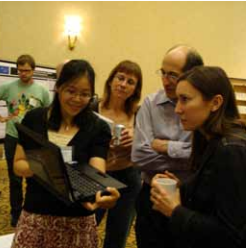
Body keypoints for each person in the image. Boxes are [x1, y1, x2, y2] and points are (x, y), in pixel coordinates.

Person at [150, 66, 246, 247]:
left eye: (185, 100)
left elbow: (232, 235)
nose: (177, 109)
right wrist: (183, 189)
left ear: (215, 103)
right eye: (177, 100)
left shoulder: (234, 150)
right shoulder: (209, 139)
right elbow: (216, 198)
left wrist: (175, 211)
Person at [11, 59, 120, 248]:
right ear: (58, 87)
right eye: (71, 91)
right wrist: (46, 166)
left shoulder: (98, 128)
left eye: (85, 94)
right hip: (36, 217)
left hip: (77, 223)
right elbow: (18, 165)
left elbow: (96, 170)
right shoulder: (35, 119)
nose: (77, 99)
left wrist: (103, 194)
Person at [131, 45, 204, 247]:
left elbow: (202, 157)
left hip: (189, 197)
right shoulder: (150, 103)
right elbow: (138, 156)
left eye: (173, 75)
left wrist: (166, 147)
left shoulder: (202, 106)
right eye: (163, 73)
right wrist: (184, 155)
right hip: (150, 195)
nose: (165, 80)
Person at [0, 55, 52, 227]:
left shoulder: (42, 91)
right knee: (15, 178)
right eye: (20, 70)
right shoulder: (9, 87)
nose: (23, 74)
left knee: (34, 177)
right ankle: (16, 213)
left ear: (33, 70)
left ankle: (31, 210)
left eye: (27, 70)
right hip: (13, 137)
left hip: (33, 140)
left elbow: (49, 113)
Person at [93, 60, 143, 247]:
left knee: (117, 235)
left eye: (131, 82)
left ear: (135, 89)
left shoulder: (139, 115)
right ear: (111, 80)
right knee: (87, 225)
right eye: (120, 78)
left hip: (128, 179)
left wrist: (137, 140)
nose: (123, 84)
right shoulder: (93, 107)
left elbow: (148, 147)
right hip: (96, 176)